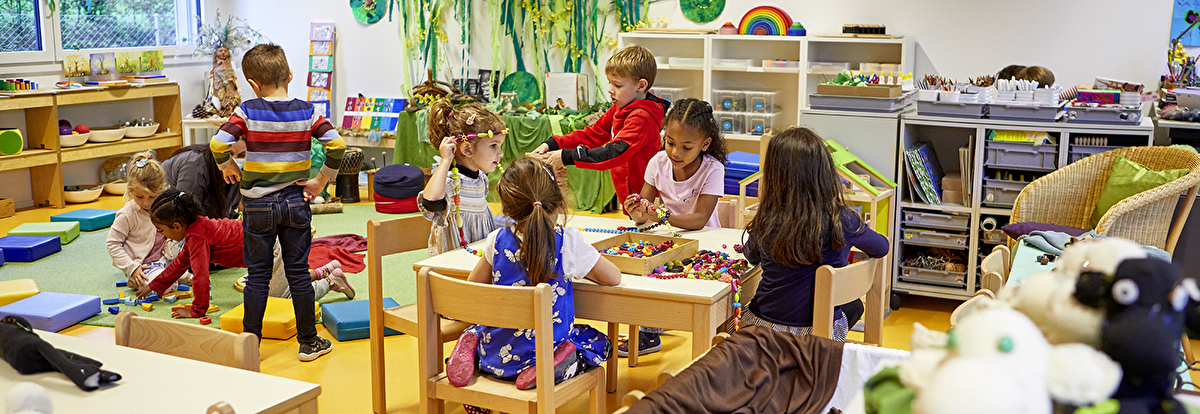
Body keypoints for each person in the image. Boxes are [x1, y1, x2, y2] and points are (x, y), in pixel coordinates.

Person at [209, 43, 344, 361]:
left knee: (257, 275)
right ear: (290, 75)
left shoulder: (247, 111)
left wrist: (226, 164)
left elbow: (218, 143)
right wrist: (320, 180)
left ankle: (249, 345)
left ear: (253, 85)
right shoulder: (308, 111)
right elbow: (336, 145)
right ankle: (309, 343)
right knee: (298, 272)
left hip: (256, 205)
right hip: (296, 203)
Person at [444, 157, 621, 395]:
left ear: (507, 208)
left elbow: (473, 290)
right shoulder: (567, 242)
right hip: (545, 349)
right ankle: (552, 366)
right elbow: (613, 277)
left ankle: (472, 344)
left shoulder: (496, 240)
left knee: (476, 328)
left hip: (496, 355)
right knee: (601, 344)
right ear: (558, 203)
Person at [740, 127, 889, 340]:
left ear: (774, 176)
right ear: (826, 172)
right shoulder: (843, 219)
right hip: (821, 336)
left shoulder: (768, 218)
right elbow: (882, 247)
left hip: (762, 331)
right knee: (853, 305)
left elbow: (751, 256)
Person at [617, 98, 727, 356]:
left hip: (704, 244)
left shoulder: (713, 169)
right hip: (669, 241)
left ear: (705, 144)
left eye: (686, 147)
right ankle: (649, 329)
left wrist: (659, 216)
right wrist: (637, 212)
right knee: (641, 274)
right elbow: (644, 212)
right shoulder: (657, 163)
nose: (675, 152)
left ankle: (653, 328)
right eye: (670, 143)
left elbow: (700, 219)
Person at [136, 189, 353, 318]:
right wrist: (154, 286)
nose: (162, 236)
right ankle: (325, 270)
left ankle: (331, 281)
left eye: (162, 231)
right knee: (284, 284)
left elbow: (201, 276)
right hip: (268, 243)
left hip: (272, 248)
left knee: (282, 298)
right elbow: (180, 263)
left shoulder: (197, 237)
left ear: (176, 226)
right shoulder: (197, 229)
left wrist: (197, 310)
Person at [532, 45, 670, 207]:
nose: (610, 90)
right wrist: (555, 143)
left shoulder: (642, 118)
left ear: (640, 86)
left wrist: (567, 156)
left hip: (646, 198)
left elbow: (614, 153)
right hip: (631, 198)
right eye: (610, 83)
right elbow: (593, 134)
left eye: (617, 85)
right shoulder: (619, 108)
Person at [417, 100, 508, 257]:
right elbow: (430, 202)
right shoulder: (451, 181)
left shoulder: (481, 178)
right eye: (494, 146)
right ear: (467, 149)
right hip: (452, 262)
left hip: (477, 255)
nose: (500, 153)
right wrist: (445, 161)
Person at [105, 151, 188, 289]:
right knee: (169, 286)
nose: (146, 203)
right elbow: (112, 243)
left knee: (189, 229)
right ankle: (137, 280)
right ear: (130, 191)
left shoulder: (164, 205)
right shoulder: (127, 215)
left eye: (152, 197)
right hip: (143, 264)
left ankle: (173, 271)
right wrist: (132, 268)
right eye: (139, 197)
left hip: (166, 258)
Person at [163, 142, 245, 219]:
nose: (234, 161)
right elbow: (186, 215)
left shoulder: (240, 172)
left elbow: (230, 211)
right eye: (229, 154)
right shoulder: (195, 167)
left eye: (242, 155)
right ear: (218, 152)